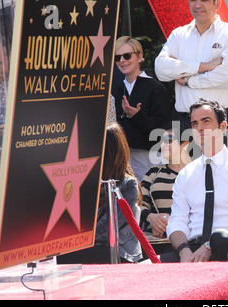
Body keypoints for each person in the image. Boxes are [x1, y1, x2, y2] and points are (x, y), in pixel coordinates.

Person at [162, 99, 228, 263]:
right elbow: (177, 221)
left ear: (223, 127)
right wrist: (183, 251)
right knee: (144, 271)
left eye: (206, 121)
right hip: (191, 251)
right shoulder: (185, 174)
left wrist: (210, 246)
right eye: (194, 123)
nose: (199, 127)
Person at [155, 0, 228, 154]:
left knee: (225, 177)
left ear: (217, 4)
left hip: (221, 123)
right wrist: (204, 66)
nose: (197, 5)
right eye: (193, 0)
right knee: (187, 177)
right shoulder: (179, 35)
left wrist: (188, 80)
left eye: (204, 0)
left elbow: (226, 75)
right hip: (185, 124)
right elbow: (161, 69)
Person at [57, 122, 142, 264]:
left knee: (64, 255)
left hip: (119, 251)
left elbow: (108, 228)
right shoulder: (88, 181)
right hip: (92, 245)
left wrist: (72, 239)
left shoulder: (128, 185)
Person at [112, 36, 172, 181]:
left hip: (150, 158)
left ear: (139, 57)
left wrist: (136, 116)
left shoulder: (156, 89)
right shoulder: (116, 91)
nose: (122, 61)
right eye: (117, 57)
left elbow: (161, 130)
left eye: (127, 55)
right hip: (123, 159)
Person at [141, 122, 192, 239]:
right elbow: (138, 203)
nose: (163, 145)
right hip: (156, 239)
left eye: (169, 141)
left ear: (185, 144)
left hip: (190, 238)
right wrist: (152, 218)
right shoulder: (153, 172)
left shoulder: (199, 173)